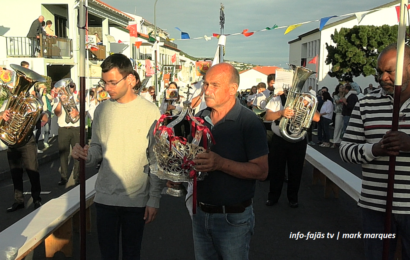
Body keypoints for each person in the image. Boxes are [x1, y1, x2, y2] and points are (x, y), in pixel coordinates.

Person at [72, 53, 162, 260]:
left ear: (130, 79)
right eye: (104, 83)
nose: (107, 88)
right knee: (108, 256)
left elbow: (156, 157)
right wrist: (86, 154)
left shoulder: (150, 111)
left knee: (132, 255)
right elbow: (97, 149)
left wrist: (154, 198)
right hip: (104, 198)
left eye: (112, 82)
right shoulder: (102, 110)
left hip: (136, 199)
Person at [340, 43, 410, 260]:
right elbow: (345, 150)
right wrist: (376, 149)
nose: (383, 78)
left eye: (390, 71)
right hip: (375, 205)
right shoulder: (365, 102)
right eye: (380, 72)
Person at [192, 63, 268, 259]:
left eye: (214, 85)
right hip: (200, 215)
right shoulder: (199, 119)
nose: (207, 90)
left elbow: (261, 171)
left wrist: (220, 163)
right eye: (206, 84)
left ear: (233, 89)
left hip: (233, 219)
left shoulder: (249, 122)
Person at [265, 90, 320, 208]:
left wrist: (307, 105)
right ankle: (273, 197)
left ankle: (293, 198)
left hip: (298, 141)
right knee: (276, 170)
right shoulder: (277, 99)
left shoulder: (306, 99)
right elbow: (268, 116)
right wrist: (281, 113)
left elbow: (317, 118)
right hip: (279, 140)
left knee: (296, 171)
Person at [0, 70, 42, 212]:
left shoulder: (31, 102)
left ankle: (37, 198)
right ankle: (18, 201)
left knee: (32, 171)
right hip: (12, 142)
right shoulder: (7, 102)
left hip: (27, 141)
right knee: (15, 173)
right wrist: (2, 114)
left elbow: (40, 116)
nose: (15, 91)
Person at [52, 81, 81, 186]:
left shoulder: (78, 97)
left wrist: (78, 113)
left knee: (78, 153)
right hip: (63, 129)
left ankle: (77, 177)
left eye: (72, 86)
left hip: (76, 128)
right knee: (63, 154)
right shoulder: (57, 98)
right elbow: (57, 113)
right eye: (69, 86)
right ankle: (64, 177)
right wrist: (60, 101)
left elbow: (85, 112)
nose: (71, 88)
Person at [331, 84, 345, 149]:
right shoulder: (336, 95)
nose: (342, 88)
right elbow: (337, 102)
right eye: (340, 87)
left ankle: (340, 141)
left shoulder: (346, 95)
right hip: (339, 112)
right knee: (337, 127)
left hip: (345, 113)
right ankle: (334, 141)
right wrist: (342, 97)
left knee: (342, 128)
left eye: (343, 87)